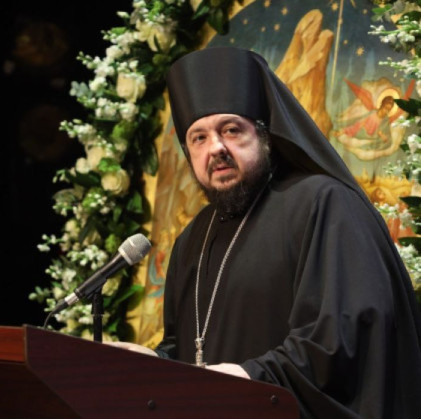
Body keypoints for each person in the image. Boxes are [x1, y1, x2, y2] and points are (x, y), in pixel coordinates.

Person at [108, 47, 421, 418]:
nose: (216, 148)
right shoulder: (191, 240)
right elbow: (189, 351)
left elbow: (344, 336)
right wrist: (155, 363)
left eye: (231, 130)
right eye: (199, 138)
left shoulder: (323, 203)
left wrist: (250, 377)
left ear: (265, 134)